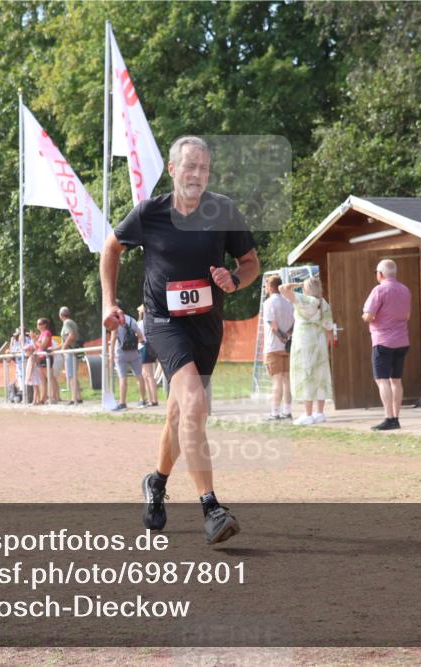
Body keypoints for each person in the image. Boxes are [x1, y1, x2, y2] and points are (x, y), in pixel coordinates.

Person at [100, 135, 259, 545]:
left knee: (178, 415)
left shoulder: (223, 210)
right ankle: (211, 507)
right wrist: (108, 302)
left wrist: (235, 280)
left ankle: (156, 481)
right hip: (163, 322)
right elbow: (111, 249)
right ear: (172, 169)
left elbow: (251, 262)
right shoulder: (149, 213)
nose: (197, 175)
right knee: (194, 404)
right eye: (190, 166)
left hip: (206, 326)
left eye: (204, 168)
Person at [362, 259, 411, 431]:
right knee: (396, 381)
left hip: (383, 340)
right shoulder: (405, 290)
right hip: (402, 340)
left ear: (380, 274)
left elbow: (368, 314)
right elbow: (407, 315)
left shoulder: (379, 290)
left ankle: (389, 417)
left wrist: (369, 318)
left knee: (382, 380)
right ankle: (396, 417)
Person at [280, 277, 333, 426]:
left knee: (306, 375)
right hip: (320, 341)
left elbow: (282, 289)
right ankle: (320, 412)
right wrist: (327, 348)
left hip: (304, 341)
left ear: (306, 288)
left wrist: (297, 284)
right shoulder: (324, 303)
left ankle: (308, 414)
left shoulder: (304, 300)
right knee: (320, 375)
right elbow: (329, 327)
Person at [263, 275, 294, 420]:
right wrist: (287, 337)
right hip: (288, 347)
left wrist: (281, 337)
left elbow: (273, 326)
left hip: (273, 346)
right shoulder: (288, 303)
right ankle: (287, 411)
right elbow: (293, 325)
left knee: (277, 380)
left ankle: (275, 412)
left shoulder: (268, 303)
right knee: (287, 380)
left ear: (270, 286)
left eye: (266, 286)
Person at [109, 305, 148, 410]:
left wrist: (111, 354)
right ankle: (142, 400)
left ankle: (122, 403)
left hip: (121, 353)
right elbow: (140, 335)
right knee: (139, 376)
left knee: (122, 377)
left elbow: (113, 339)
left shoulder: (115, 321)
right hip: (134, 352)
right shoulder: (132, 320)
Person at [59, 307, 83, 405]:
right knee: (73, 375)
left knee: (71, 376)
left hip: (70, 351)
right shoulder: (71, 322)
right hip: (72, 350)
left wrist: (63, 348)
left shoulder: (67, 323)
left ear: (60, 315)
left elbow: (71, 335)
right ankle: (78, 397)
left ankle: (74, 398)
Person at [137, 305, 160, 407]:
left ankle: (154, 399)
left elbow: (137, 334)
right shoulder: (152, 322)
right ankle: (152, 398)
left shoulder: (140, 323)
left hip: (144, 347)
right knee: (146, 375)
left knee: (148, 375)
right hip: (151, 347)